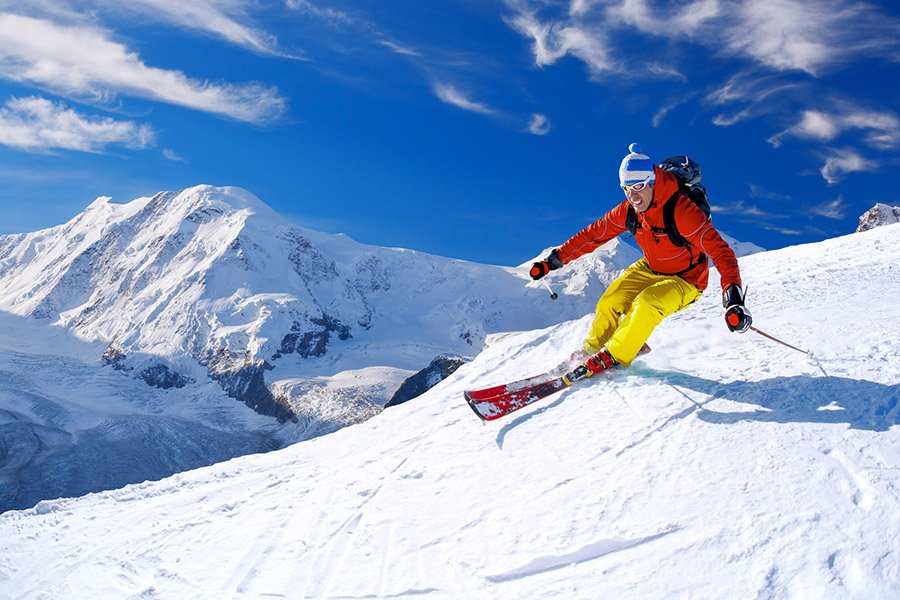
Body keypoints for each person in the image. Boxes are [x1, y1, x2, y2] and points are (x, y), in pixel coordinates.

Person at [529, 143, 752, 379]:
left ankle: (615, 356)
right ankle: (591, 351)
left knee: (648, 302)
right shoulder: (629, 211)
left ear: (653, 182)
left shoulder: (682, 211)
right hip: (651, 267)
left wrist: (733, 298)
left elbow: (721, 252)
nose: (633, 196)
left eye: (638, 186)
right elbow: (593, 235)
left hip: (686, 278)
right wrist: (553, 261)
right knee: (610, 300)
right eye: (626, 188)